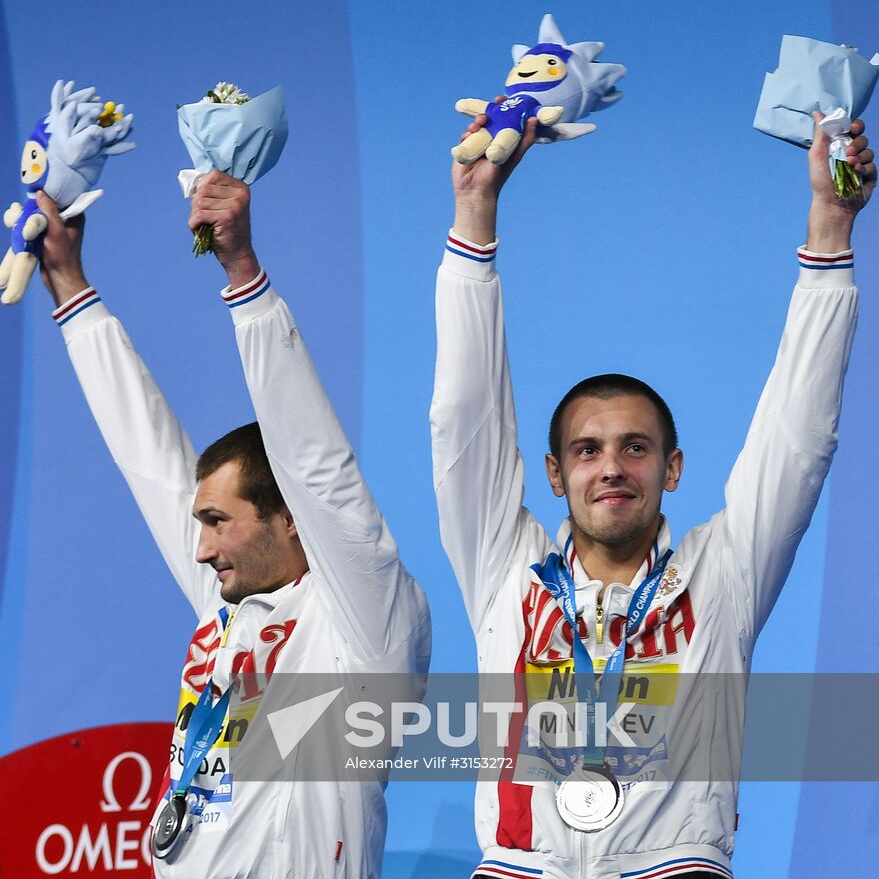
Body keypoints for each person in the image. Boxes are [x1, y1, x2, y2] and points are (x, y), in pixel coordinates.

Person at [431, 113, 873, 879]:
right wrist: (474, 215)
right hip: (518, 866)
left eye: (635, 448)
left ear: (670, 469)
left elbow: (797, 439)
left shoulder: (724, 572)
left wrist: (830, 231)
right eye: (587, 450)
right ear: (552, 473)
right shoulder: (504, 568)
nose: (610, 468)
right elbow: (461, 423)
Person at [37, 171, 431, 878]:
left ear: (290, 520)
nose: (201, 549)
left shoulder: (361, 631)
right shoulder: (223, 613)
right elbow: (146, 453)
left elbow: (320, 468)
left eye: (219, 522)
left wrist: (243, 275)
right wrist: (70, 288)